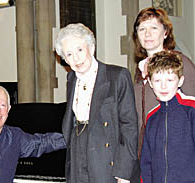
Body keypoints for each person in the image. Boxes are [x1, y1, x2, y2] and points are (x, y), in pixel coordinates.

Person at [55, 23, 140, 183]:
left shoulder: (117, 76)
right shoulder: (71, 79)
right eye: (69, 54)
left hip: (107, 157)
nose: (76, 58)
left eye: (80, 50)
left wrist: (124, 172)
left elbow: (129, 126)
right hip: (78, 150)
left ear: (91, 47)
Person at [132, 7, 195, 156]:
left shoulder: (181, 63)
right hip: (147, 153)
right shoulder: (139, 69)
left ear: (165, 32)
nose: (147, 34)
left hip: (175, 153)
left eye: (154, 28)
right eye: (142, 29)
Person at [0, 85, 66, 183]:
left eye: (3, 105)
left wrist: (74, 138)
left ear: (8, 109)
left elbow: (42, 143)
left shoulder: (14, 136)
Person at [140, 50, 195, 183]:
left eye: (170, 80)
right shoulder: (152, 117)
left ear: (180, 81)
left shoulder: (191, 110)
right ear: (151, 84)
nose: (163, 86)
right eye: (157, 80)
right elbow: (146, 162)